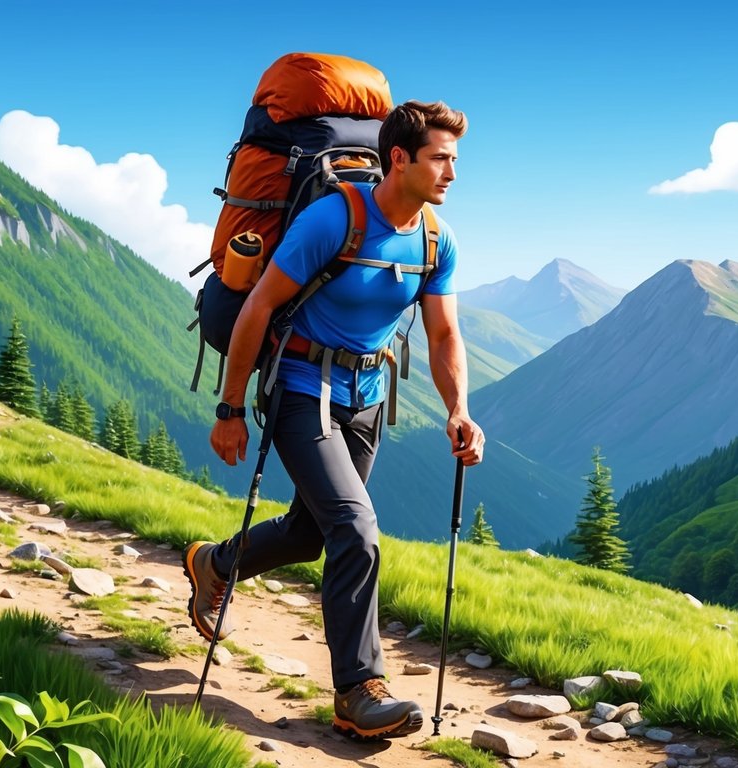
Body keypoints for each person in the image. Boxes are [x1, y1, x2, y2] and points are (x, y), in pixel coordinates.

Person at [185, 99, 485, 741]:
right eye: (440, 159)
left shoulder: (436, 239)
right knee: (355, 525)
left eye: (455, 160)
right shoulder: (334, 219)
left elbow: (443, 334)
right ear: (398, 159)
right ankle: (359, 690)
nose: (452, 173)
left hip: (368, 396)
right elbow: (258, 308)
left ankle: (216, 564)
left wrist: (459, 409)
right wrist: (231, 408)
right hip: (299, 388)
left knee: (311, 531)